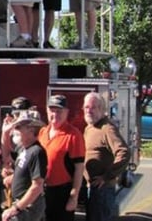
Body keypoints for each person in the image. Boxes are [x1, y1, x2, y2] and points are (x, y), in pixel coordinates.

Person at [82, 92, 129, 221]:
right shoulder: (90, 127)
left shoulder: (107, 128)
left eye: (93, 107)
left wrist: (106, 176)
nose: (89, 110)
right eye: (86, 107)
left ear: (102, 109)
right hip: (91, 187)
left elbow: (124, 152)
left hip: (102, 189)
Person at [38, 95, 84, 221]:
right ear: (47, 111)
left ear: (67, 112)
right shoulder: (42, 132)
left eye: (59, 111)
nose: (55, 114)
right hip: (42, 191)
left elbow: (79, 168)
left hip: (62, 192)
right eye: (52, 110)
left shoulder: (73, 135)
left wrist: (73, 197)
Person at [0, 110, 47, 221]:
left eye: (18, 127)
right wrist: (5, 133)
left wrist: (16, 208)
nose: (15, 130)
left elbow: (37, 186)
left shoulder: (37, 152)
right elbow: (6, 157)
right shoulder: (23, 149)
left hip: (29, 207)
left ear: (31, 129)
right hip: (21, 205)